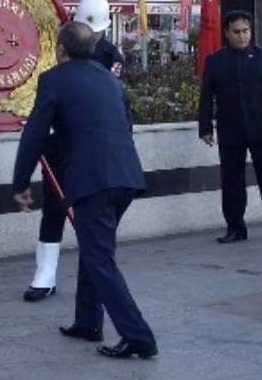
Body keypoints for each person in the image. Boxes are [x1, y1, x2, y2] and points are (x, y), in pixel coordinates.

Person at [12, 21, 157, 360]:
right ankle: (88, 322)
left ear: (60, 49)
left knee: (99, 257)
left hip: (94, 179)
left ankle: (139, 337)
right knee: (97, 249)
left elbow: (34, 134)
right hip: (125, 175)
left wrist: (20, 182)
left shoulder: (53, 80)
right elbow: (125, 124)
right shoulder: (110, 79)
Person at [23, 0, 125, 302]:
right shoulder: (62, 42)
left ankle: (93, 286)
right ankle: (45, 274)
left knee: (93, 221)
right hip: (59, 140)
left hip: (91, 147)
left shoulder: (111, 56)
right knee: (53, 207)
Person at [198, 11, 262, 245]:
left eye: (245, 31)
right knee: (232, 180)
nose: (242, 36)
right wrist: (205, 127)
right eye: (236, 32)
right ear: (226, 33)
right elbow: (206, 97)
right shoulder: (215, 61)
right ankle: (235, 228)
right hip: (230, 128)